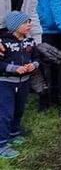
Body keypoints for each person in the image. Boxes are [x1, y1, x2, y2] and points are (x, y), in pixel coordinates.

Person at [0, 11, 40, 159]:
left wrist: (33, 65)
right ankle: (2, 144)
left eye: (29, 22)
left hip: (24, 82)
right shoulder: (4, 43)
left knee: (19, 109)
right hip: (6, 84)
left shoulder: (30, 41)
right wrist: (14, 69)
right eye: (25, 22)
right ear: (14, 26)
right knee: (5, 113)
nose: (29, 25)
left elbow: (36, 57)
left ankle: (14, 134)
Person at [32, 0, 61, 111]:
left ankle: (58, 96)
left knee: (60, 64)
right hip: (45, 29)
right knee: (45, 65)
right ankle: (44, 98)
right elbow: (31, 1)